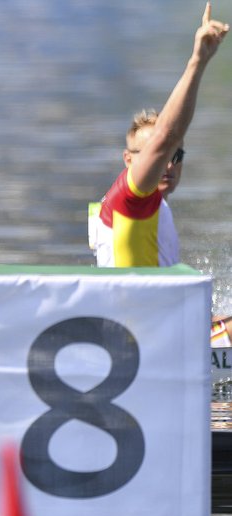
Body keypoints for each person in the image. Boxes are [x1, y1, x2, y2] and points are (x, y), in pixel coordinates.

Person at [88, 3, 231, 343]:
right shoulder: (129, 198)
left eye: (176, 156)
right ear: (128, 160)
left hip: (154, 332)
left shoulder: (155, 206)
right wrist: (198, 62)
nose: (168, 164)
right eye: (159, 155)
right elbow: (167, 134)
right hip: (139, 346)